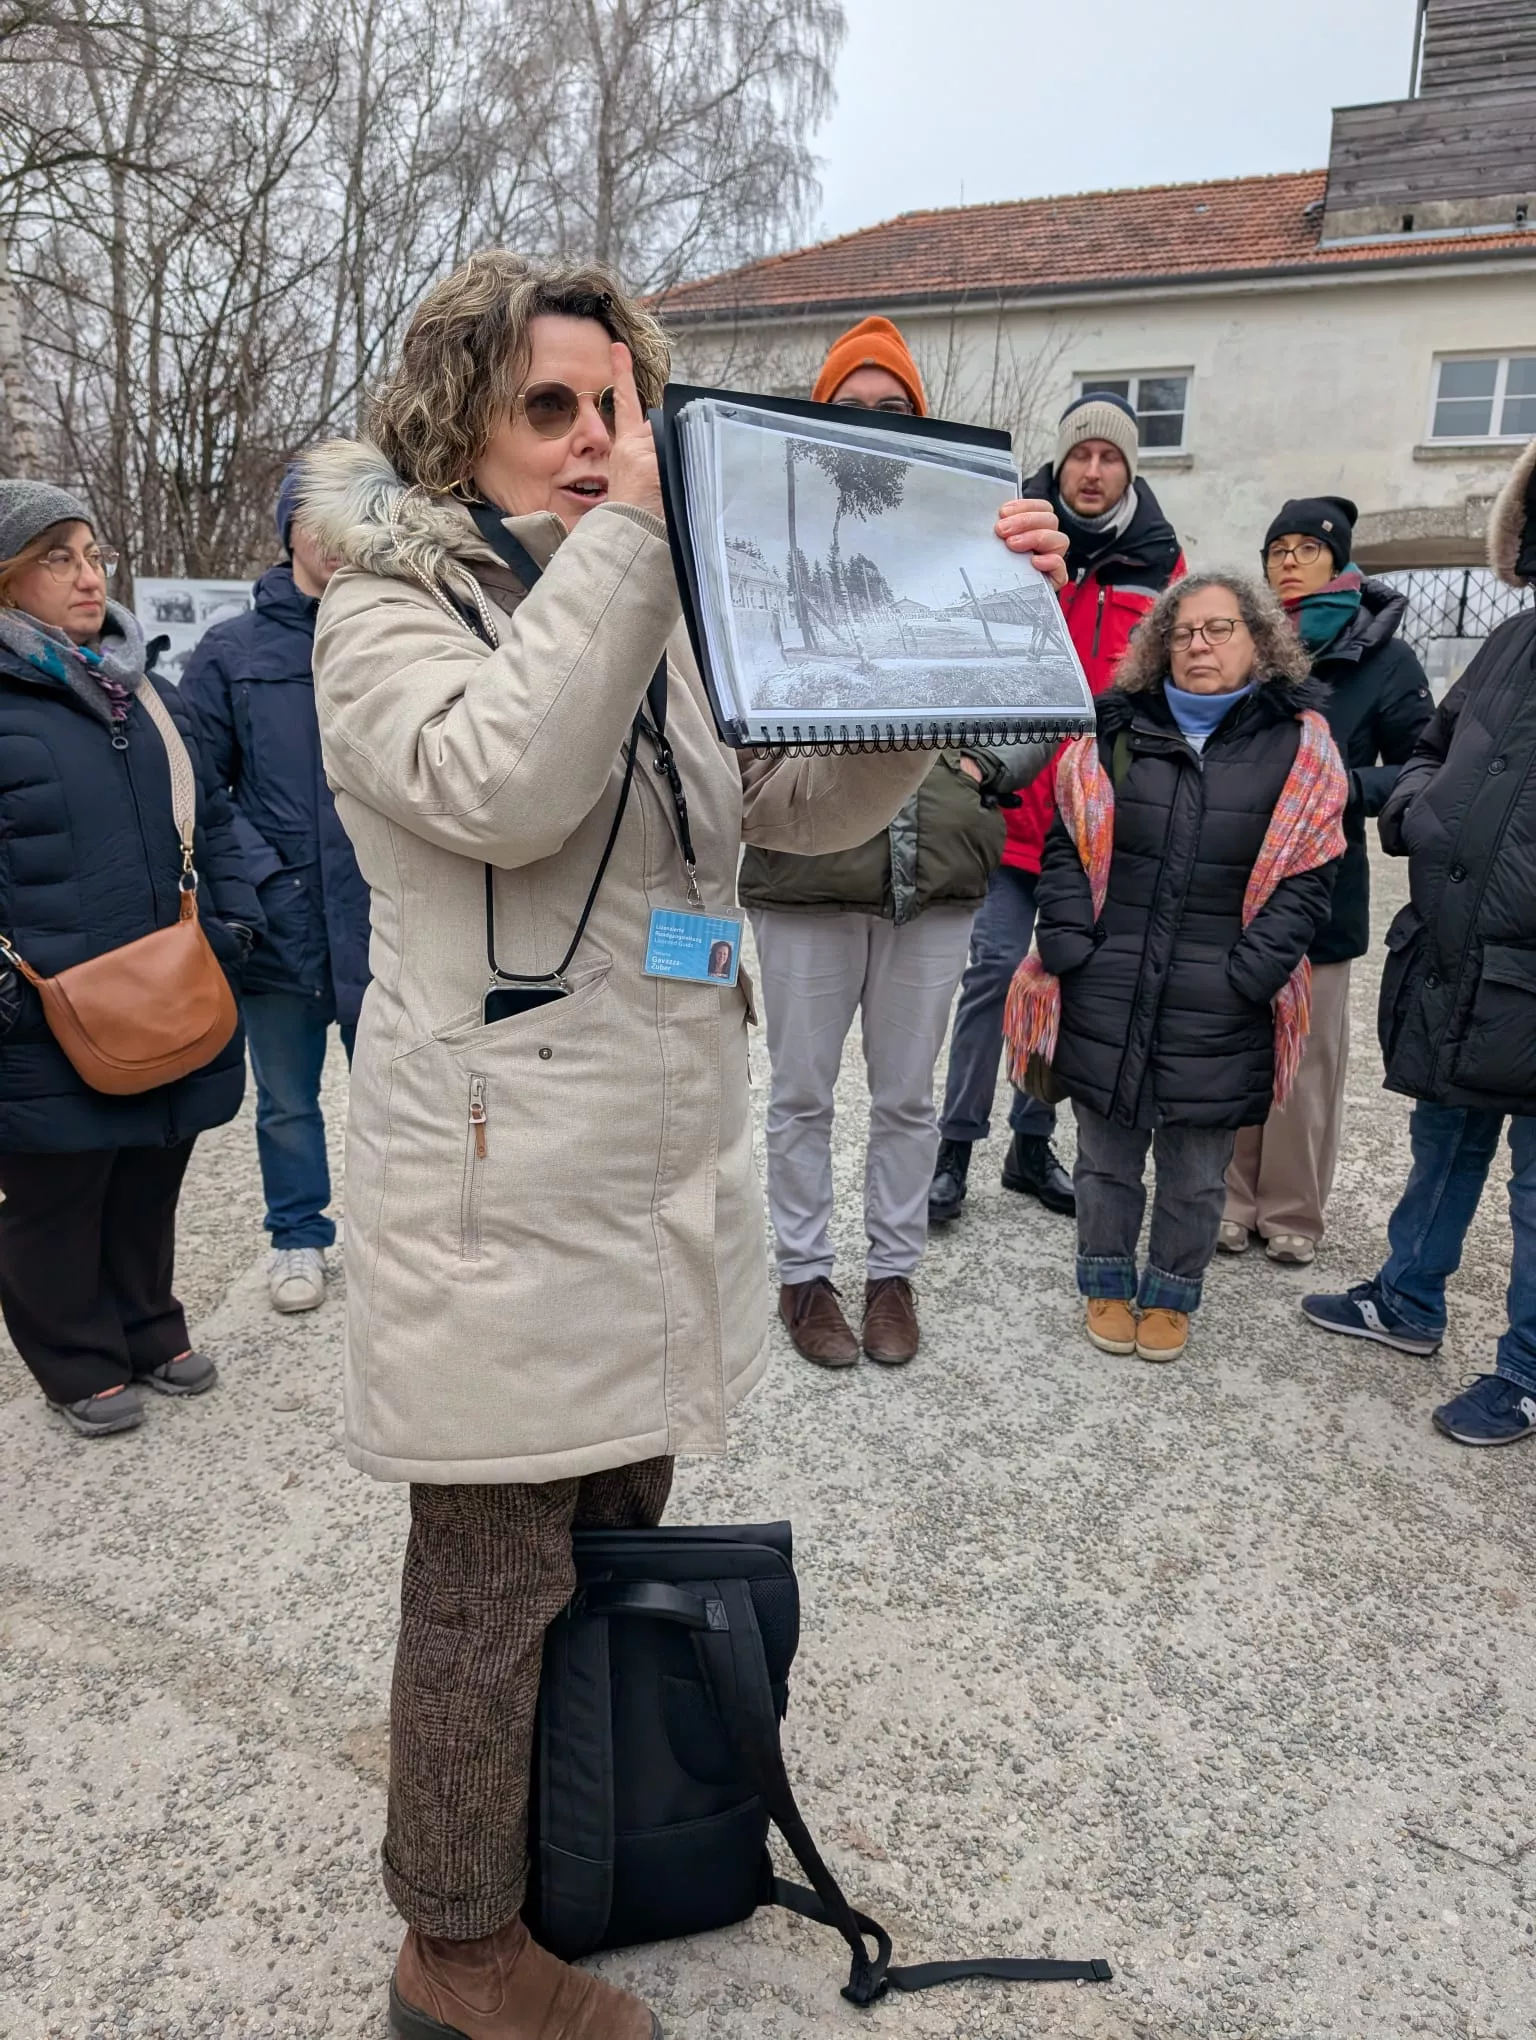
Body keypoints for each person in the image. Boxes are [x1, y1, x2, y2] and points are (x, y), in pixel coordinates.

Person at [299, 253, 1068, 2040]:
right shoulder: (386, 611)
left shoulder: (648, 610)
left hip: (651, 1175)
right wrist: (648, 541)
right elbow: (501, 784)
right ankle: (457, 1950)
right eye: (547, 410)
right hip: (497, 1182)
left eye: (617, 408)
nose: (592, 441)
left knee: (612, 1537)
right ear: (457, 432)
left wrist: (939, 622)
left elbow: (791, 806)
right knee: (490, 1581)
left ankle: (568, 1840)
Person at [741, 314, 1062, 1370]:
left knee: (909, 1093)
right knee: (796, 1091)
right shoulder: (779, 528)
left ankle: (892, 1273)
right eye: (852, 406)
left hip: (940, 867)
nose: (874, 423)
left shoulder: (977, 533)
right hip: (805, 865)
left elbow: (1033, 685)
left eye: (895, 409)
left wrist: (988, 767)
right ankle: (802, 1278)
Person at [1016, 573, 1345, 1364]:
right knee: (1105, 1161)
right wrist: (1068, 946)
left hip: (1221, 1003)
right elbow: (1067, 844)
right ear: (1160, 645)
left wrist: (1251, 974)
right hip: (1108, 986)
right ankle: (1102, 1278)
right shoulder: (1113, 731)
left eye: (1220, 629)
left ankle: (1170, 1293)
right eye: (1184, 631)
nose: (1200, 644)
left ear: (1259, 642)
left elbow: (1308, 878)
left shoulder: (1298, 746)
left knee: (1198, 1174)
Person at [0, 482, 260, 1436]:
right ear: (6, 578)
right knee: (59, 1187)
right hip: (38, 996)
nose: (87, 574)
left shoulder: (143, 688)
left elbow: (214, 815)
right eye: (56, 556)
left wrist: (239, 925)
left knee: (153, 1163)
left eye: (93, 553)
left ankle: (150, 1325)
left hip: (165, 977)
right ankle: (75, 1357)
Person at [1302, 439, 1536, 1447]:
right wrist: (1414, 814)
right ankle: (1408, 1299)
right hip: (1457, 947)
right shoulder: (1515, 639)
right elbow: (1432, 753)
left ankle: (1528, 1373)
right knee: (1445, 1138)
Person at [931, 389, 1184, 1228]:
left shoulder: (1162, 566)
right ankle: (954, 1147)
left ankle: (1031, 1145)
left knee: (1064, 986)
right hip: (1011, 809)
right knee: (992, 976)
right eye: (1082, 454)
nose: (1094, 470)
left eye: (1110, 457)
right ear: (1062, 459)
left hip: (1096, 829)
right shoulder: (1019, 536)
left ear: (1128, 470)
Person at [1220, 495, 1432, 1265]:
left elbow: (1422, 763)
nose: (1288, 559)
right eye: (1278, 546)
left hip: (1323, 879)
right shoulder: (1243, 642)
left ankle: (1292, 1213)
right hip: (1235, 874)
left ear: (1338, 559)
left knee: (1306, 1058)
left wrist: (1342, 786)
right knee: (1234, 1040)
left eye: (1307, 546)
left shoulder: (1385, 657)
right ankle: (1231, 1201)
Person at [181, 472, 371, 1315]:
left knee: (399, 1095)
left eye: (352, 521)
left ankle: (397, 1238)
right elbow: (197, 787)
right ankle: (298, 1237)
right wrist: (260, 879)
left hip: (379, 917)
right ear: (289, 530)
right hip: (280, 922)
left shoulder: (389, 637)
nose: (335, 539)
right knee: (288, 1103)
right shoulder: (230, 651)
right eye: (316, 521)